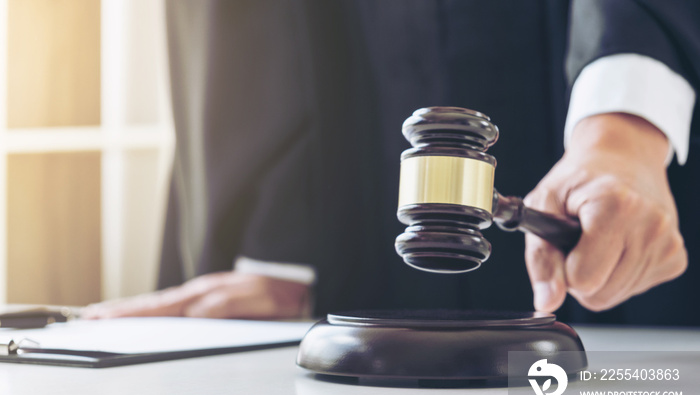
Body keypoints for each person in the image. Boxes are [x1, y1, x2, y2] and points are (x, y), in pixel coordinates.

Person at [84, 0, 700, 326]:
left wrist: (623, 134)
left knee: (623, 387)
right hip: (348, 153)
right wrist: (276, 240)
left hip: (599, 99)